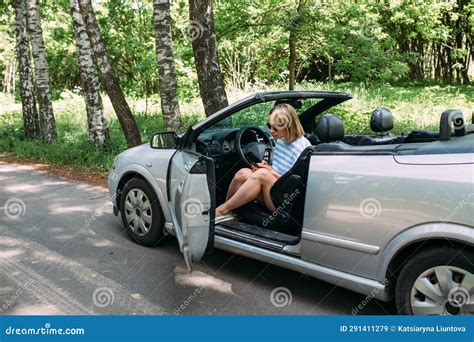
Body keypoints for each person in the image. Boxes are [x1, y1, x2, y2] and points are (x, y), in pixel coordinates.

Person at [215, 103, 311, 222]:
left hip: (284, 201)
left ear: (288, 126)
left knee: (262, 175)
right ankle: (227, 212)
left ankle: (220, 210)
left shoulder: (302, 148)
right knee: (243, 173)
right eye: (269, 126)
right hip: (273, 189)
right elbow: (276, 168)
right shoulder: (281, 140)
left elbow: (296, 186)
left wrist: (268, 172)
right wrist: (266, 167)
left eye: (275, 128)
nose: (271, 131)